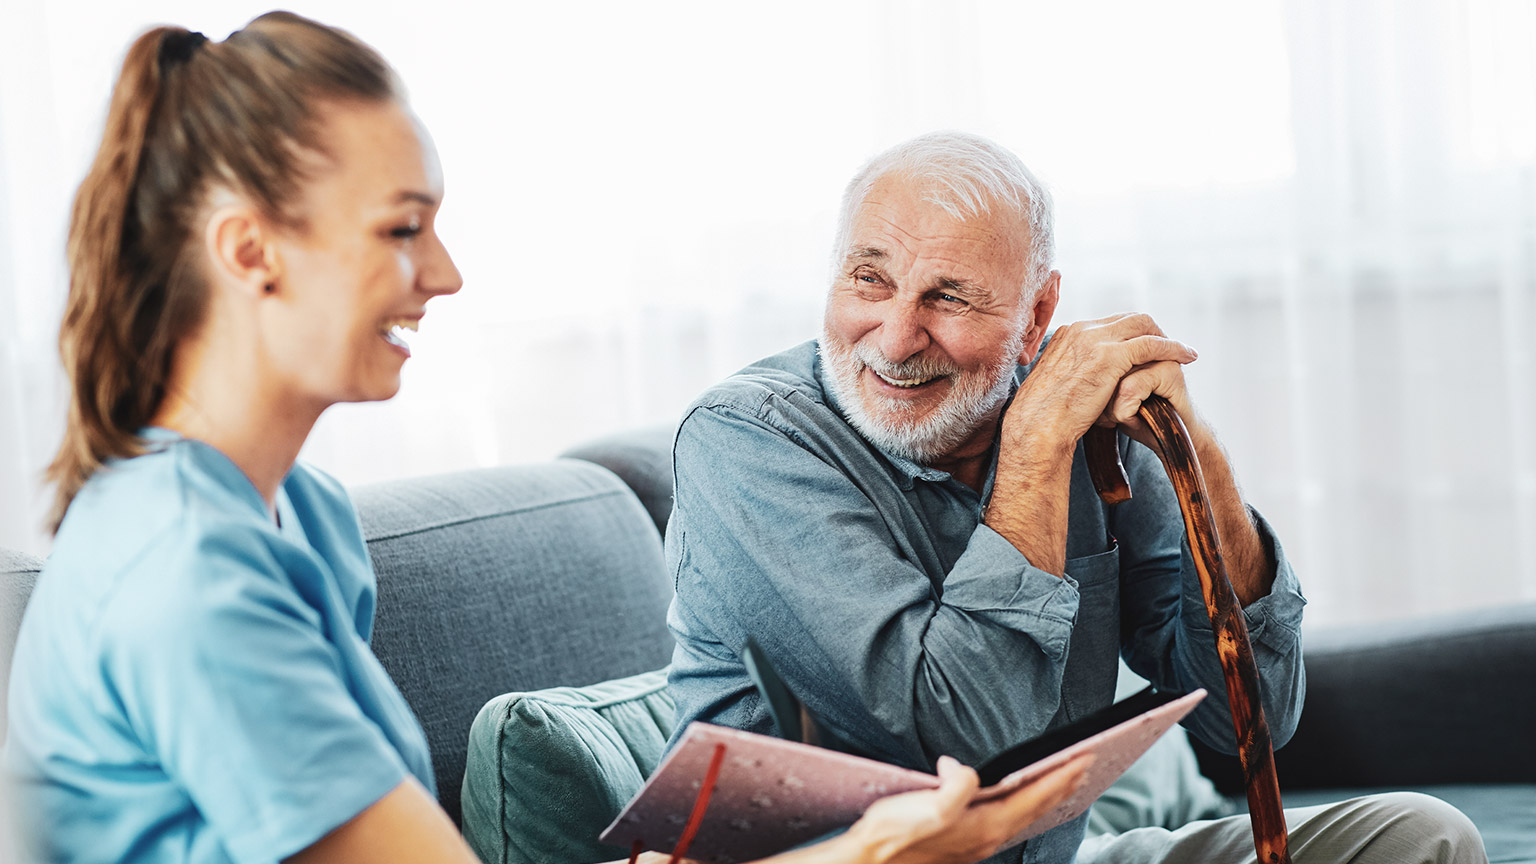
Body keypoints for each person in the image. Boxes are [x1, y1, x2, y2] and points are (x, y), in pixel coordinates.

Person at [2, 15, 1092, 864]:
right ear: (251, 252)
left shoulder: (304, 518)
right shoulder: (189, 578)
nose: (445, 274)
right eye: (400, 229)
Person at [663, 131, 1487, 864]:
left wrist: (1197, 448)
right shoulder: (748, 442)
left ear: (1036, 316)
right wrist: (1033, 450)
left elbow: (1253, 724)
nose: (897, 336)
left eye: (947, 297)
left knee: (1417, 835)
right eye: (869, 280)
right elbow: (967, 743)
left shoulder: (1080, 420)